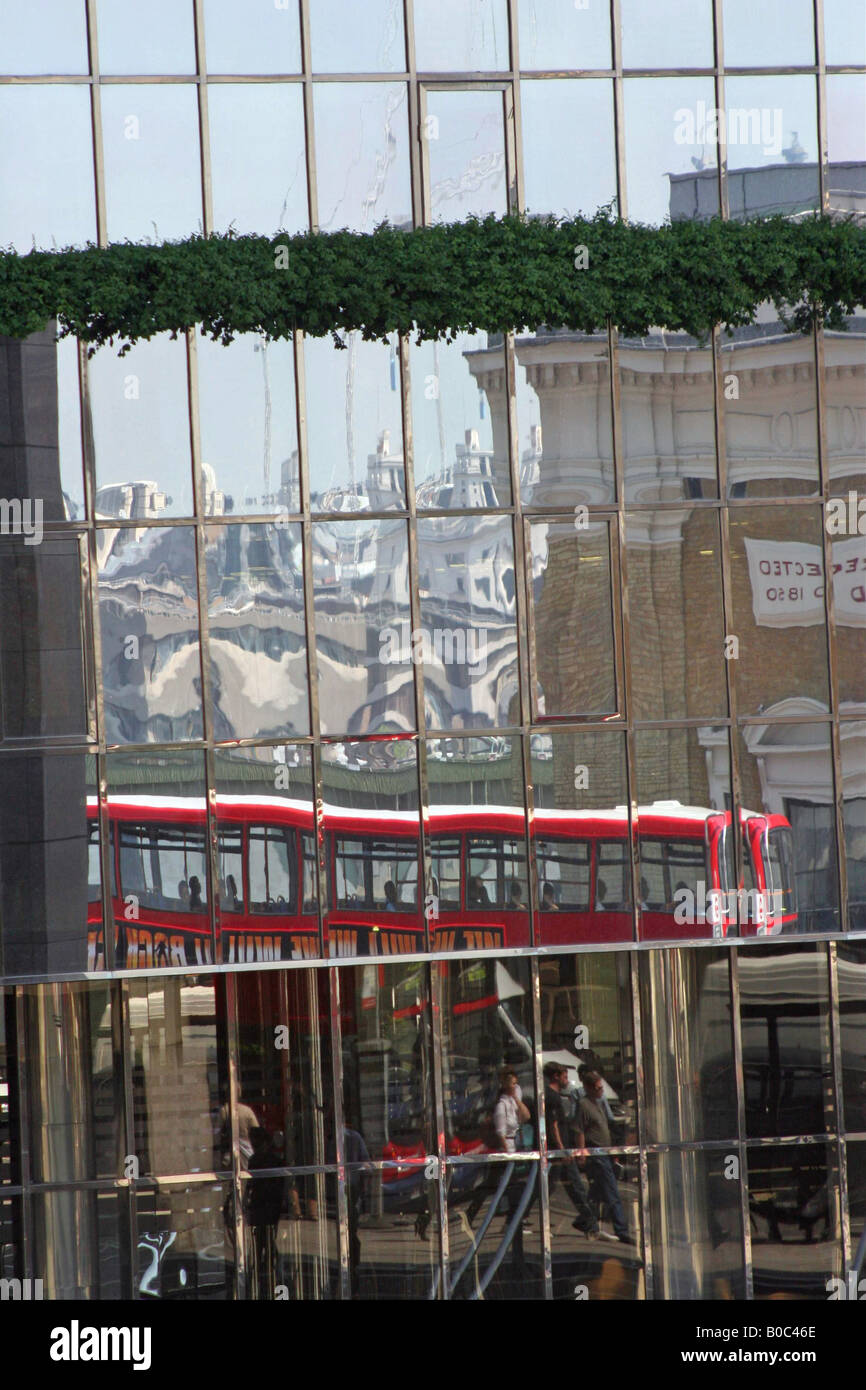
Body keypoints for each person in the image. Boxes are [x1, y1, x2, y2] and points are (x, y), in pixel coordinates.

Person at [543, 1063, 604, 1239]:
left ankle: (587, 1221)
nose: (566, 1080)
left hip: (559, 1151)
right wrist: (562, 1150)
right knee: (574, 1186)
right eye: (564, 1076)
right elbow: (554, 1125)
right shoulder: (552, 1097)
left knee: (563, 1186)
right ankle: (590, 1223)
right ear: (555, 1076)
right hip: (560, 1151)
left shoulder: (553, 1096)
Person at [576, 1070, 630, 1243]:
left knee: (597, 1192)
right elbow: (580, 1131)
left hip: (605, 1152)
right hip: (596, 1152)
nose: (601, 1091)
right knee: (611, 1191)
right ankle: (622, 1230)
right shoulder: (584, 1105)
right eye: (598, 1088)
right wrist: (582, 1152)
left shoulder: (598, 1102)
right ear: (590, 1088)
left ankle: (583, 1219)